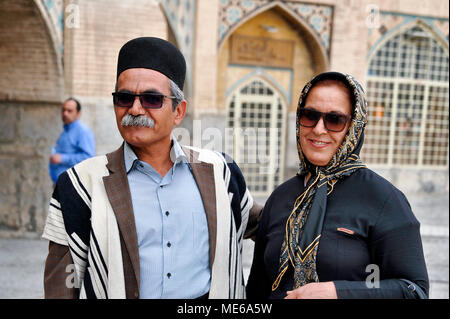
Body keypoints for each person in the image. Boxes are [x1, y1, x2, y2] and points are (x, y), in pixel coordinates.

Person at [42, 37, 262, 299]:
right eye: (124, 98)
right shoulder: (81, 186)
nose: (135, 109)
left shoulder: (219, 173)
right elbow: (61, 286)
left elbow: (273, 224)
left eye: (151, 99)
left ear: (178, 111)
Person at [246, 71, 429, 299]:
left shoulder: (384, 199)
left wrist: (337, 292)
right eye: (309, 115)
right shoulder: (282, 197)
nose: (318, 128)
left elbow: (414, 290)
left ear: (354, 126)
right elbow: (257, 289)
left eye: (334, 120)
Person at [49, 98, 95, 185]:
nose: (65, 113)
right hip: (61, 185)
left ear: (78, 113)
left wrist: (62, 158)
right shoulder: (65, 131)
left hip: (73, 186)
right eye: (63, 110)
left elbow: (88, 157)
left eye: (69, 111)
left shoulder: (82, 131)